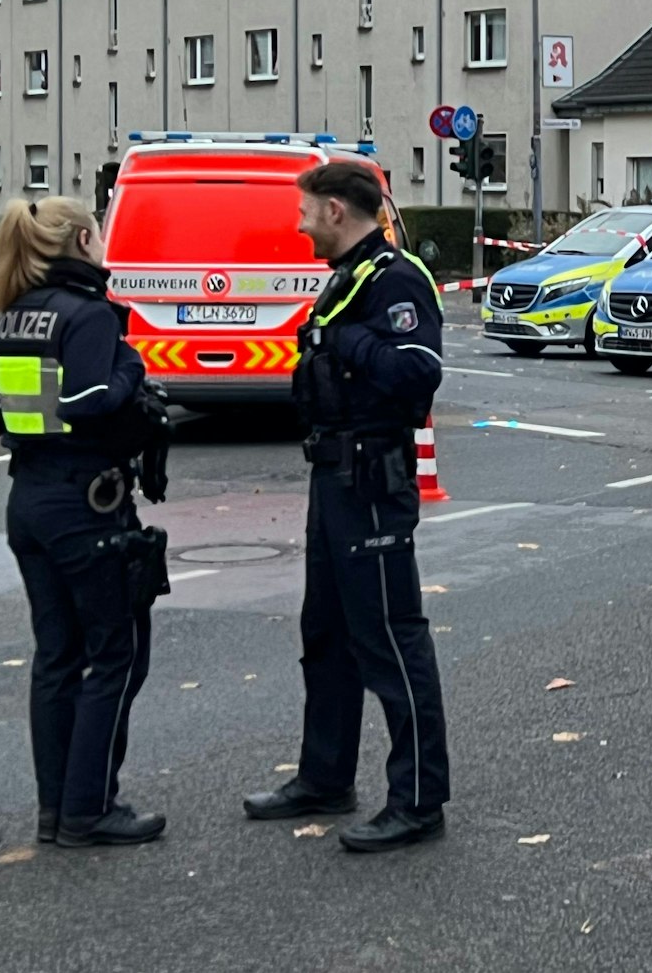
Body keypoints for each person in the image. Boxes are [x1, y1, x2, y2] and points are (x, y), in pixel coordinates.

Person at [243, 162, 452, 853]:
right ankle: (325, 776)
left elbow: (418, 370)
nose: (298, 224)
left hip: (371, 481)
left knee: (391, 639)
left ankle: (418, 800)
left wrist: (350, 341)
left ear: (335, 210)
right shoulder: (346, 276)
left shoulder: (394, 279)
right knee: (326, 636)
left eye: (305, 211)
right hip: (333, 476)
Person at [0, 196, 173, 848]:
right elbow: (90, 401)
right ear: (85, 240)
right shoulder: (87, 314)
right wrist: (131, 365)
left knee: (57, 658)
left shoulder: (9, 317)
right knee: (116, 655)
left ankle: (55, 810)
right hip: (86, 505)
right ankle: (90, 809)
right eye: (100, 233)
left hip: (30, 499)